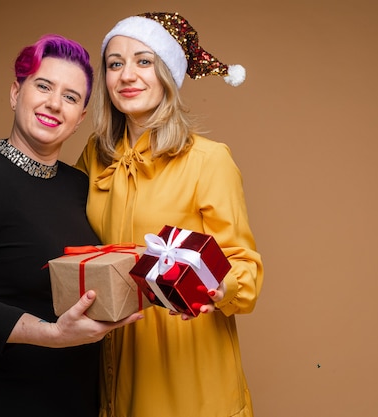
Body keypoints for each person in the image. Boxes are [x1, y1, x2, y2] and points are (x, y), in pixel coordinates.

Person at [0, 34, 143, 417]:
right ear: (16, 93)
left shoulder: (81, 186)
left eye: (70, 97)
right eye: (43, 86)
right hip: (7, 395)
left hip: (80, 394)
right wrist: (52, 335)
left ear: (79, 119)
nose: (53, 103)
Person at [74, 12, 264, 417]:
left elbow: (245, 267)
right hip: (115, 350)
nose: (127, 75)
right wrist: (10, 168)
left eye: (144, 61)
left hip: (185, 364)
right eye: (115, 63)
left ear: (167, 73)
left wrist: (219, 288)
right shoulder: (95, 156)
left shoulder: (209, 160)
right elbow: (50, 208)